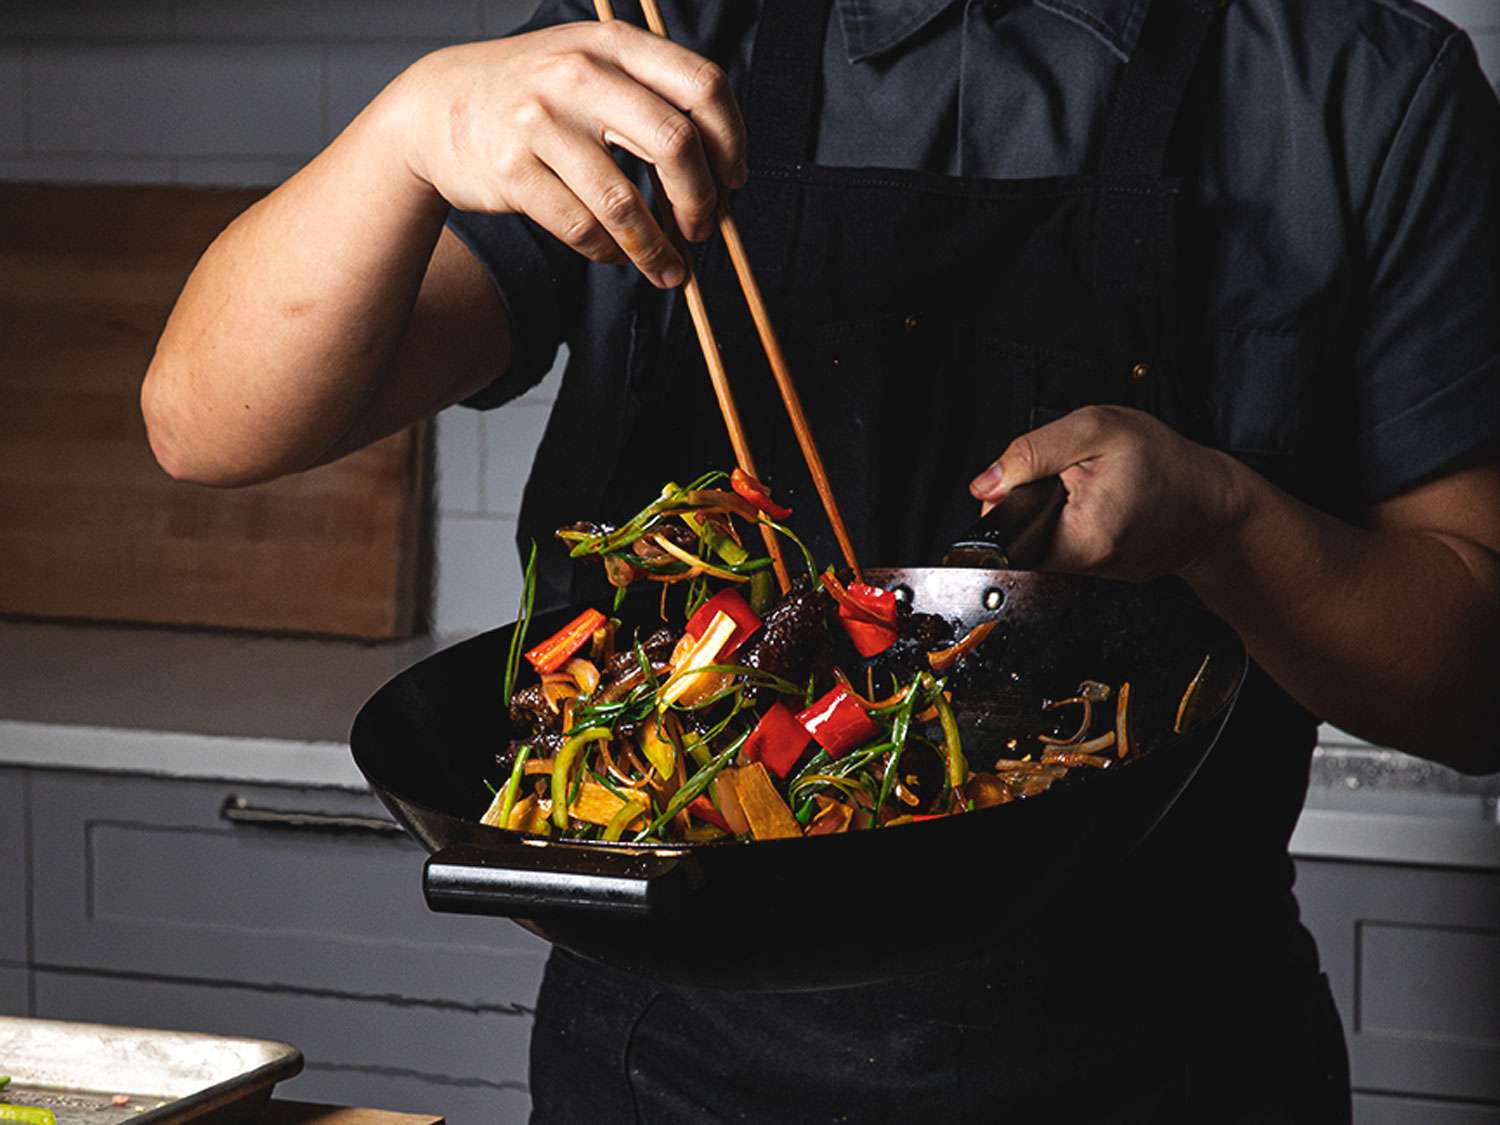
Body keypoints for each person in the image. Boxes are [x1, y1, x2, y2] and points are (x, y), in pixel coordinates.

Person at [142, 0, 1500, 1118]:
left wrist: (1224, 518)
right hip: (669, 1071)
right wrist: (404, 134)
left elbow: (1472, 682)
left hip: (1173, 1062)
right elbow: (202, 419)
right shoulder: (651, 51)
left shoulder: (1363, 88)